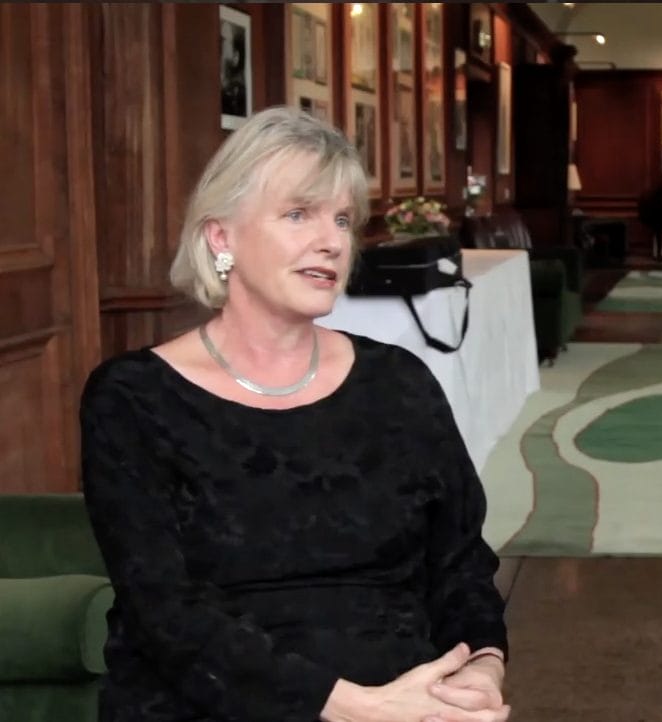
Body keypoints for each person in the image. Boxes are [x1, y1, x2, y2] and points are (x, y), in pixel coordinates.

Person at [80, 106, 511, 722]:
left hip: (413, 697)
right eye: (298, 214)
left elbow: (461, 560)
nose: (333, 240)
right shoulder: (132, 398)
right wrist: (348, 706)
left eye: (342, 219)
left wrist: (480, 668)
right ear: (220, 236)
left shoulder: (398, 380)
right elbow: (165, 611)